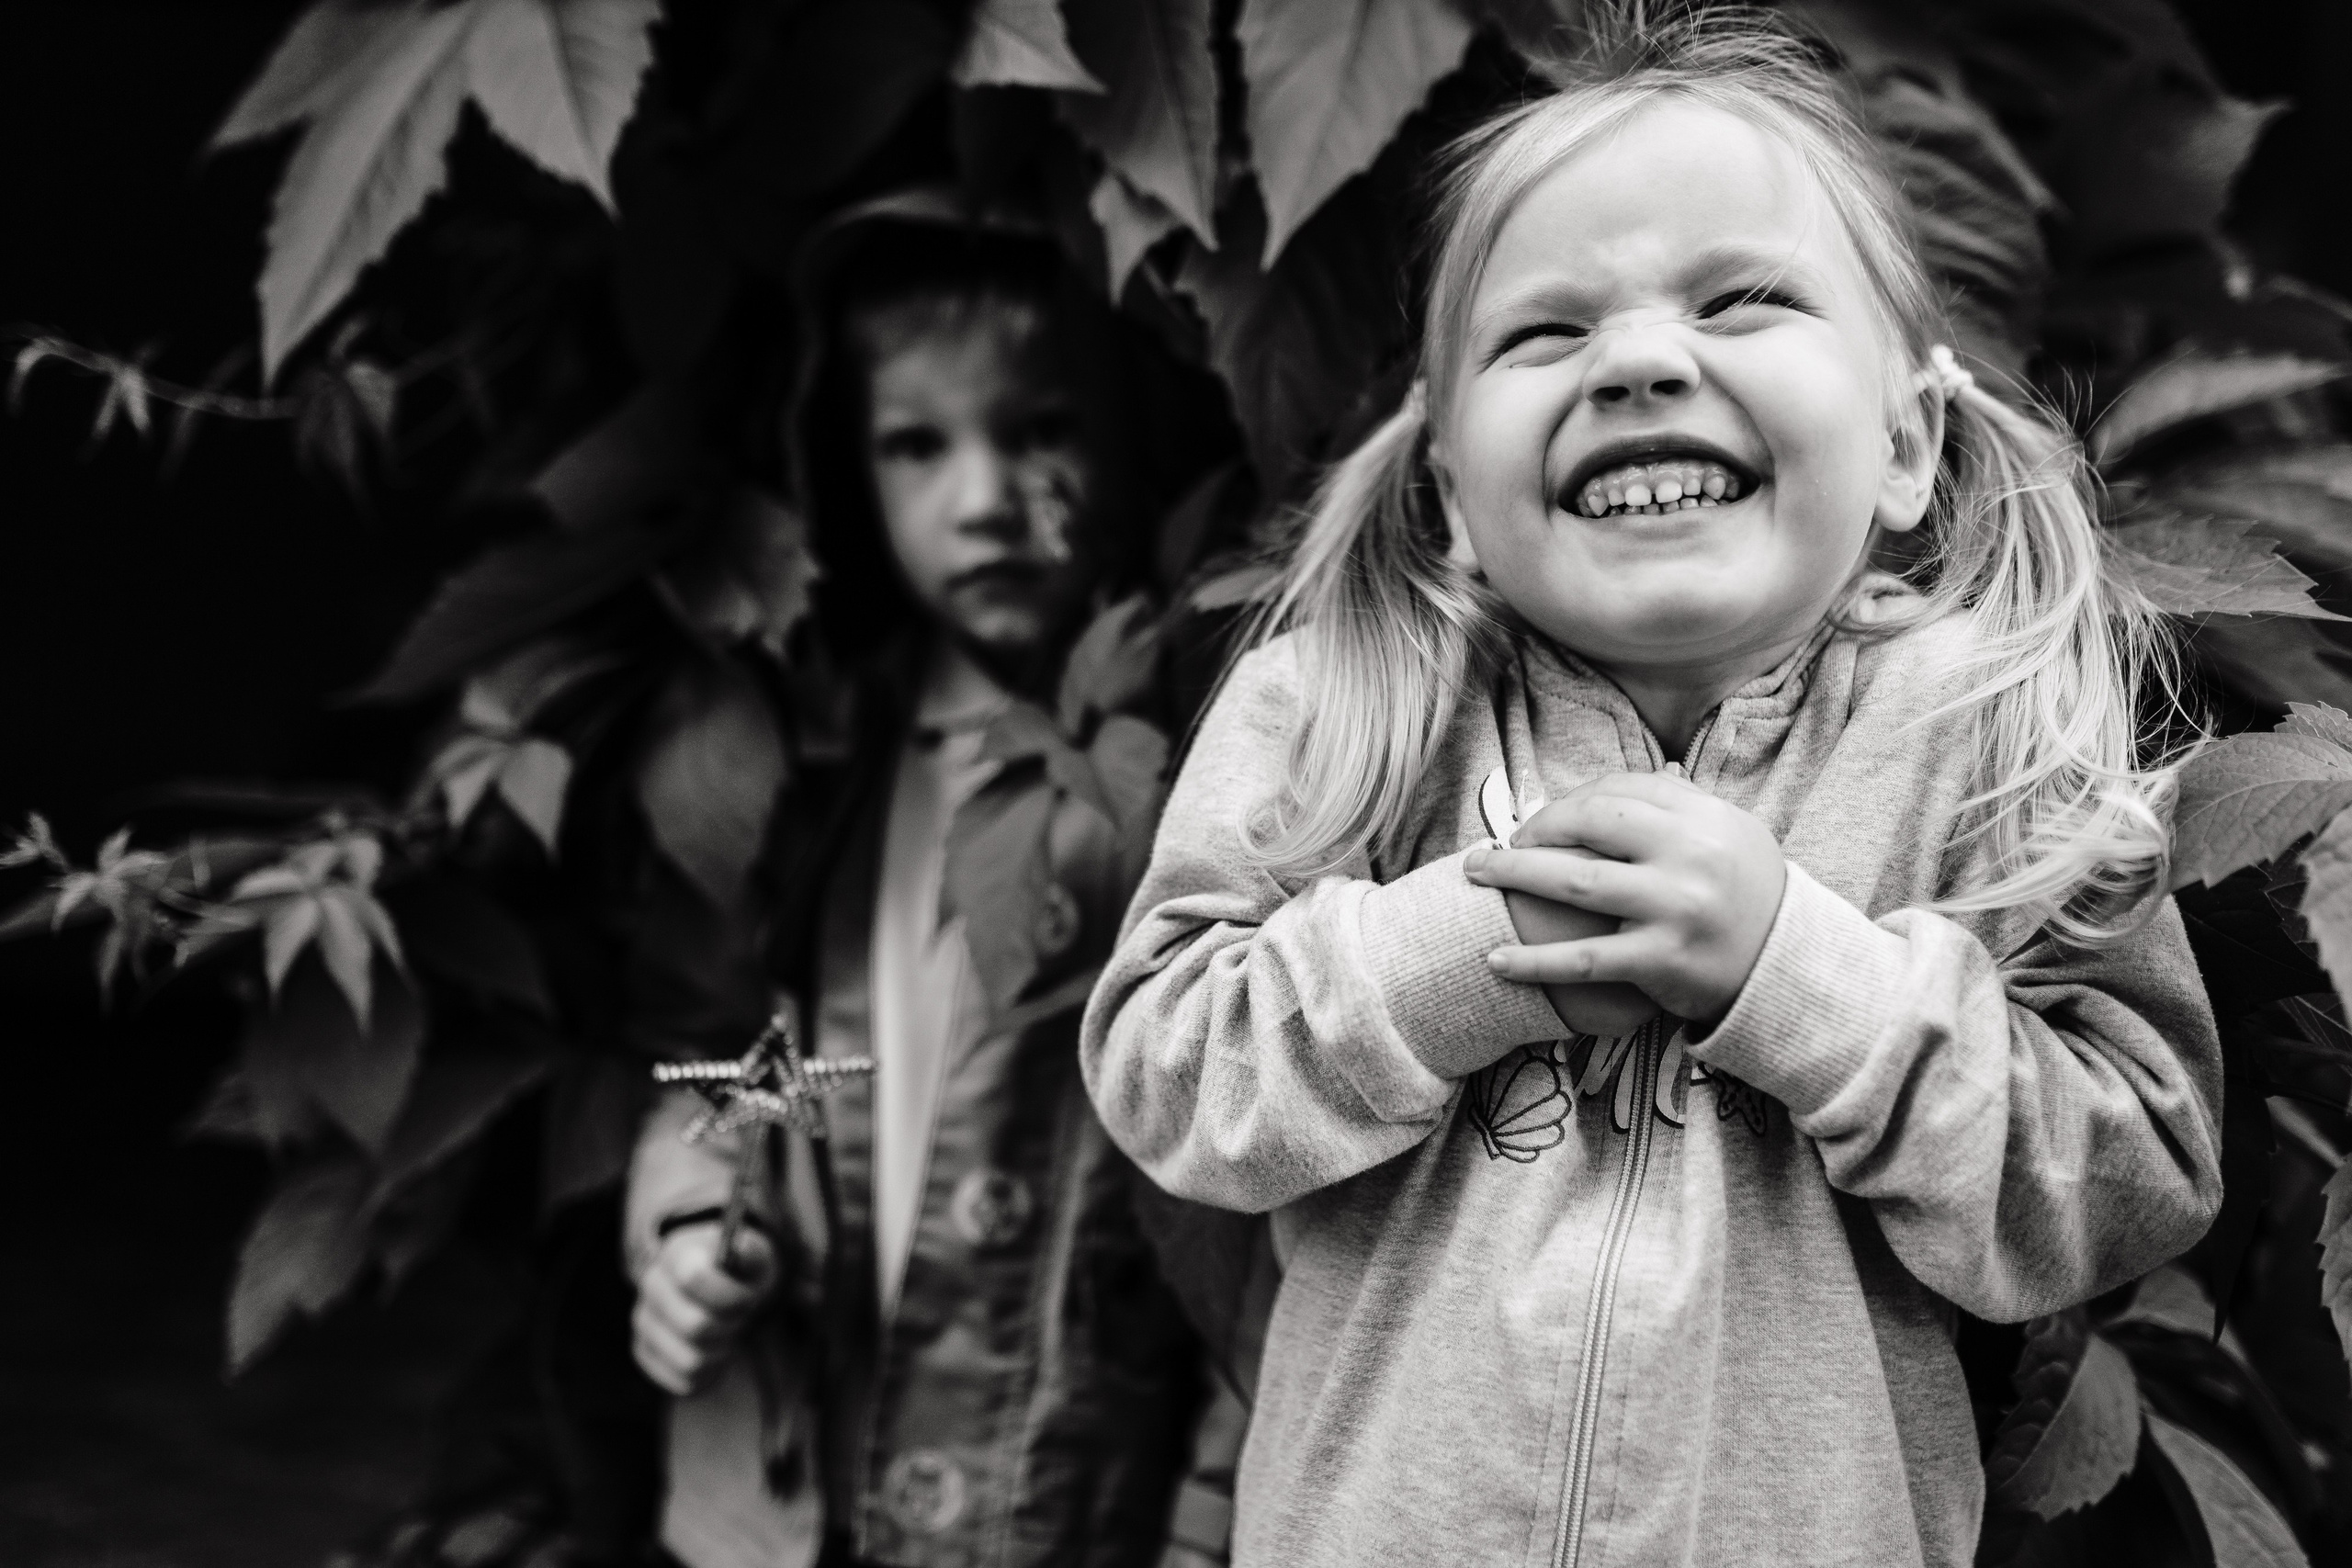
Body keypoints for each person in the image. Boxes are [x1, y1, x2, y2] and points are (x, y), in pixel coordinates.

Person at [1080, 18, 2222, 1568]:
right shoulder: (1349, 712)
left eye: (1742, 299)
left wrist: (1805, 979)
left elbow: (2134, 1171)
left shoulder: (1988, 736)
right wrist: (1460, 956)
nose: (1636, 359)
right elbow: (1165, 1071)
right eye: (1544, 334)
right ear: (1450, 498)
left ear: (1905, 441)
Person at [625, 198, 1238, 1568]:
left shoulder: (1204, 777)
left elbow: (1264, 1217)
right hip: (795, 1491)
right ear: (847, 472)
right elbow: (717, 1060)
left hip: (1078, 1503)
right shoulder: (803, 761)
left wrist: (1216, 1524)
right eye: (916, 443)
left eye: (1043, 429)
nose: (981, 501)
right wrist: (685, 1235)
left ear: (1136, 426)